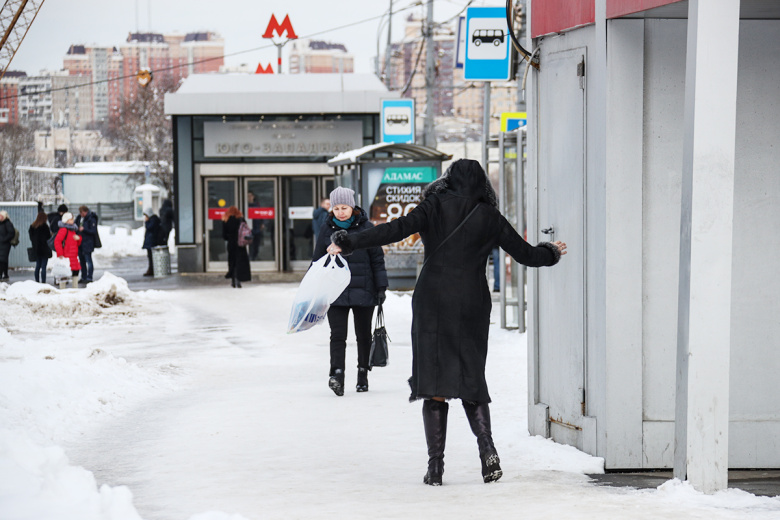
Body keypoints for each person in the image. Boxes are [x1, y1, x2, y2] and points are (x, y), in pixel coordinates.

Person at [327, 159, 567, 486]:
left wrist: (348, 241)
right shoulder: (489, 215)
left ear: (449, 180)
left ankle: (435, 467)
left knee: (434, 381)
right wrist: (551, 251)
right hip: (472, 302)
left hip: (432, 301)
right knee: (471, 376)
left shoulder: (433, 206)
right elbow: (526, 254)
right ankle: (488, 452)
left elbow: (393, 230)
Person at [313, 187, 387, 396]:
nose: (340, 212)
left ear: (352, 206)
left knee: (363, 335)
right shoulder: (326, 229)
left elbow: (377, 260)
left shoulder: (367, 228)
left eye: (344, 207)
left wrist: (381, 287)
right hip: (335, 292)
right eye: (336, 208)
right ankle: (337, 374)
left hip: (364, 290)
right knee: (337, 335)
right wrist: (311, 288)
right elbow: (317, 260)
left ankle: (362, 373)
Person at [222, 206, 251, 288]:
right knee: (240, 261)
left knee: (232, 261)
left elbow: (224, 235)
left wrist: (229, 237)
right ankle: (239, 279)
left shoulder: (226, 220)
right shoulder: (241, 219)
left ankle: (233, 280)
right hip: (240, 244)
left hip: (231, 243)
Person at [53, 212, 81, 288]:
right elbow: (57, 241)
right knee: (64, 273)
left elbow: (76, 243)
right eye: (71, 219)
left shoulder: (72, 230)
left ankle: (75, 289)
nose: (73, 220)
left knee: (75, 271)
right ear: (67, 220)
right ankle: (63, 290)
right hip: (66, 256)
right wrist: (60, 253)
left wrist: (78, 239)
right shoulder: (64, 230)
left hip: (73, 256)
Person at [75, 205, 98, 283]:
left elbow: (93, 231)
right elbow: (75, 226)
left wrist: (84, 229)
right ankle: (83, 276)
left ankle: (89, 277)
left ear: (85, 212)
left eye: (82, 212)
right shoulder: (79, 218)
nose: (81, 214)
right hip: (80, 242)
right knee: (82, 261)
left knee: (88, 260)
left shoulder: (91, 218)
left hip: (88, 243)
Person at [28, 211, 52, 283]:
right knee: (43, 267)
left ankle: (37, 281)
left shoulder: (32, 227)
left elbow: (31, 238)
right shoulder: (45, 227)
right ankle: (43, 282)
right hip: (44, 249)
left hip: (36, 249)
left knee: (37, 266)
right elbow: (48, 237)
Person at [142, 207, 161, 276]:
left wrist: (147, 222)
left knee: (151, 257)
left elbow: (149, 227)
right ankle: (151, 269)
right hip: (151, 241)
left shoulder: (153, 220)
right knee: (150, 256)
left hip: (152, 242)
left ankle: (152, 270)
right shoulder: (154, 219)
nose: (145, 218)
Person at [0, 210, 15, 281]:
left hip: (5, 245)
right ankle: (5, 274)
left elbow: (11, 233)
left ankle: (1, 275)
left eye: (1, 216)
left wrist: (4, 239)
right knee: (3, 260)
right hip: (1, 244)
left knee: (2, 260)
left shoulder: (7, 223)